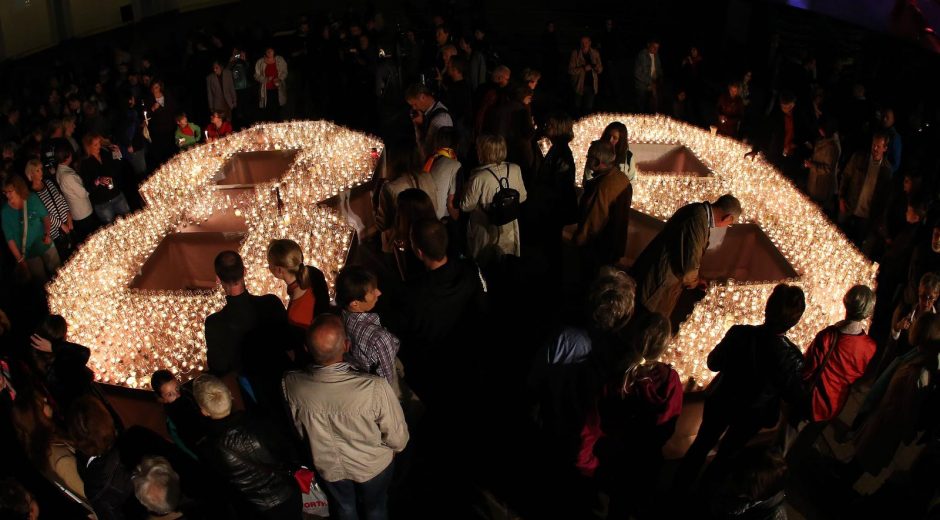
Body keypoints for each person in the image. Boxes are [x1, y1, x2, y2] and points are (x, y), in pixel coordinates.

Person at [675, 283, 807, 490]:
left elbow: (713, 363)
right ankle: (704, 494)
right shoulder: (792, 358)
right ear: (794, 322)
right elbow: (793, 394)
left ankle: (678, 487)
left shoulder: (740, 334)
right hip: (752, 415)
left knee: (701, 444)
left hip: (723, 401)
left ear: (767, 308)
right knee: (727, 454)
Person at [282, 314, 408, 520]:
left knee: (344, 509)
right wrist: (393, 451)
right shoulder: (373, 387)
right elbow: (398, 437)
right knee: (375, 508)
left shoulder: (291, 383)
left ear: (306, 348)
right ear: (347, 346)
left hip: (329, 467)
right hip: (372, 468)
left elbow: (298, 427)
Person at [590, 312, 680, 519]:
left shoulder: (616, 371)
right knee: (628, 502)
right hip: (645, 457)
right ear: (665, 345)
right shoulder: (669, 379)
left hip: (613, 450)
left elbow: (600, 410)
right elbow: (669, 422)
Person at [393, 219, 485, 401]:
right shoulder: (470, 269)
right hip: (473, 355)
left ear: (419, 252)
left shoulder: (411, 293)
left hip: (435, 369)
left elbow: (405, 335)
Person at [193, 375, 302, 519]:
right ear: (230, 396)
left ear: (204, 411)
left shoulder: (207, 448)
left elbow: (222, 487)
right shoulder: (260, 422)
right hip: (288, 494)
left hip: (258, 509)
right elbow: (288, 452)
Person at [631, 194, 742, 320]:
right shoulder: (697, 219)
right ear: (727, 217)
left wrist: (697, 279)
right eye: (730, 224)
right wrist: (694, 282)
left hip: (658, 274)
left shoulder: (697, 210)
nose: (726, 226)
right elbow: (689, 266)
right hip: (659, 281)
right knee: (641, 319)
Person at [204, 250, 291, 409]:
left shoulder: (214, 324)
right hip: (287, 380)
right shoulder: (271, 303)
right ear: (245, 271)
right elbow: (289, 341)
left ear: (218, 279)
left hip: (255, 395)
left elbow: (219, 366)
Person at [459, 134, 528, 270]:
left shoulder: (479, 176)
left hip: (484, 229)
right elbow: (523, 197)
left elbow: (466, 206)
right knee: (507, 266)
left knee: (485, 266)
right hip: (509, 228)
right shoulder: (515, 169)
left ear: (483, 151)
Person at [10, 387, 87, 501]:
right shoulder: (59, 458)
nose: (45, 399)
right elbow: (89, 493)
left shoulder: (47, 445)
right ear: (36, 416)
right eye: (42, 403)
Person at [335, 265, 401, 391]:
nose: (379, 293)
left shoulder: (339, 318)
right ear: (355, 303)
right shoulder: (380, 339)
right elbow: (387, 385)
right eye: (372, 292)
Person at [574, 141, 633, 276]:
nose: (587, 159)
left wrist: (579, 240)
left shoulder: (602, 187)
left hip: (598, 248)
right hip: (615, 244)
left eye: (589, 157)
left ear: (597, 162)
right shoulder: (622, 178)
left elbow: (593, 221)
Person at [838, 131, 892, 247]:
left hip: (866, 217)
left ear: (885, 148)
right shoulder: (859, 157)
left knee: (855, 246)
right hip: (849, 206)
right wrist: (841, 198)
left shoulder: (886, 171)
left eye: (878, 146)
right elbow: (846, 176)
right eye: (874, 145)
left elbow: (884, 198)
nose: (875, 148)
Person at [2, 175, 60, 283]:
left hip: (46, 244)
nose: (7, 195)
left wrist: (47, 233)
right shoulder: (5, 212)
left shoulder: (31, 198)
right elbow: (9, 239)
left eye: (10, 191)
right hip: (29, 254)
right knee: (42, 282)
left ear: (18, 188)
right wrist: (20, 260)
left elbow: (45, 216)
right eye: (5, 192)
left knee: (58, 274)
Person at [266, 238, 331, 334]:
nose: (268, 267)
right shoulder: (313, 272)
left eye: (269, 264)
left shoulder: (295, 316)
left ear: (279, 270)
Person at [150, 370, 208, 461]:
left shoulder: (187, 394)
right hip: (201, 452)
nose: (177, 395)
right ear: (162, 399)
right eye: (170, 395)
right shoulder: (172, 423)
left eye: (177, 388)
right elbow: (185, 449)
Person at [24, 159, 72, 260]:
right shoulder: (32, 195)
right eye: (37, 170)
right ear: (31, 174)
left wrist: (68, 215)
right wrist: (61, 225)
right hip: (56, 232)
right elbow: (45, 215)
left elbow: (61, 198)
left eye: (41, 169)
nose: (41, 172)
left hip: (68, 224)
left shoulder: (48, 182)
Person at [78, 133, 130, 224]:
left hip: (116, 195)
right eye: (95, 145)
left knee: (129, 219)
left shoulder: (105, 153)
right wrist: (98, 180)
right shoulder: (84, 164)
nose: (99, 146)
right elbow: (88, 187)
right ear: (88, 147)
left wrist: (117, 153)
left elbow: (117, 168)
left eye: (99, 143)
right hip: (102, 203)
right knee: (112, 228)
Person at [54, 147, 97, 243]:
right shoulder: (68, 176)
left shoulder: (59, 171)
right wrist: (95, 183)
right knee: (93, 238)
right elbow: (83, 193)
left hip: (77, 212)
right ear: (67, 157)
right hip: (83, 212)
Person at [421, 126, 461, 221]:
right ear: (456, 144)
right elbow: (450, 204)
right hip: (440, 219)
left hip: (423, 214)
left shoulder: (429, 160)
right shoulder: (455, 165)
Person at [405, 83, 453, 159]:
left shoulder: (438, 119)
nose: (414, 108)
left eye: (415, 104)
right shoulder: (432, 114)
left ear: (423, 97)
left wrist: (418, 126)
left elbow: (425, 153)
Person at [804, 117, 841, 213]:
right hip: (815, 181)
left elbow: (828, 169)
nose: (819, 130)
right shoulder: (825, 139)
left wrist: (811, 165)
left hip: (821, 185)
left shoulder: (832, 147)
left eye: (821, 129)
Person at [569, 35, 603, 115]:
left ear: (590, 43)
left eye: (586, 43)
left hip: (591, 86)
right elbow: (570, 70)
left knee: (588, 110)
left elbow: (600, 69)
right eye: (582, 43)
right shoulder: (575, 53)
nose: (584, 45)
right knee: (577, 109)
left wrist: (597, 68)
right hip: (579, 86)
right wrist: (583, 69)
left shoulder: (595, 53)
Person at [254, 48, 288, 122]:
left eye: (271, 50)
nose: (269, 52)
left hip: (278, 89)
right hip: (266, 90)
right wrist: (265, 79)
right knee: (268, 109)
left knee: (278, 108)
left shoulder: (280, 60)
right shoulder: (260, 62)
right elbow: (256, 75)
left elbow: (285, 72)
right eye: (267, 51)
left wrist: (279, 79)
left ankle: (279, 124)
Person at [634, 39, 663, 113]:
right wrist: (650, 83)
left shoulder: (656, 55)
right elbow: (638, 74)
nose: (656, 49)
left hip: (652, 83)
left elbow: (659, 69)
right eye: (654, 47)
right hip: (642, 84)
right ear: (648, 45)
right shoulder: (642, 55)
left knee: (654, 104)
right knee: (641, 107)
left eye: (657, 48)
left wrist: (659, 79)